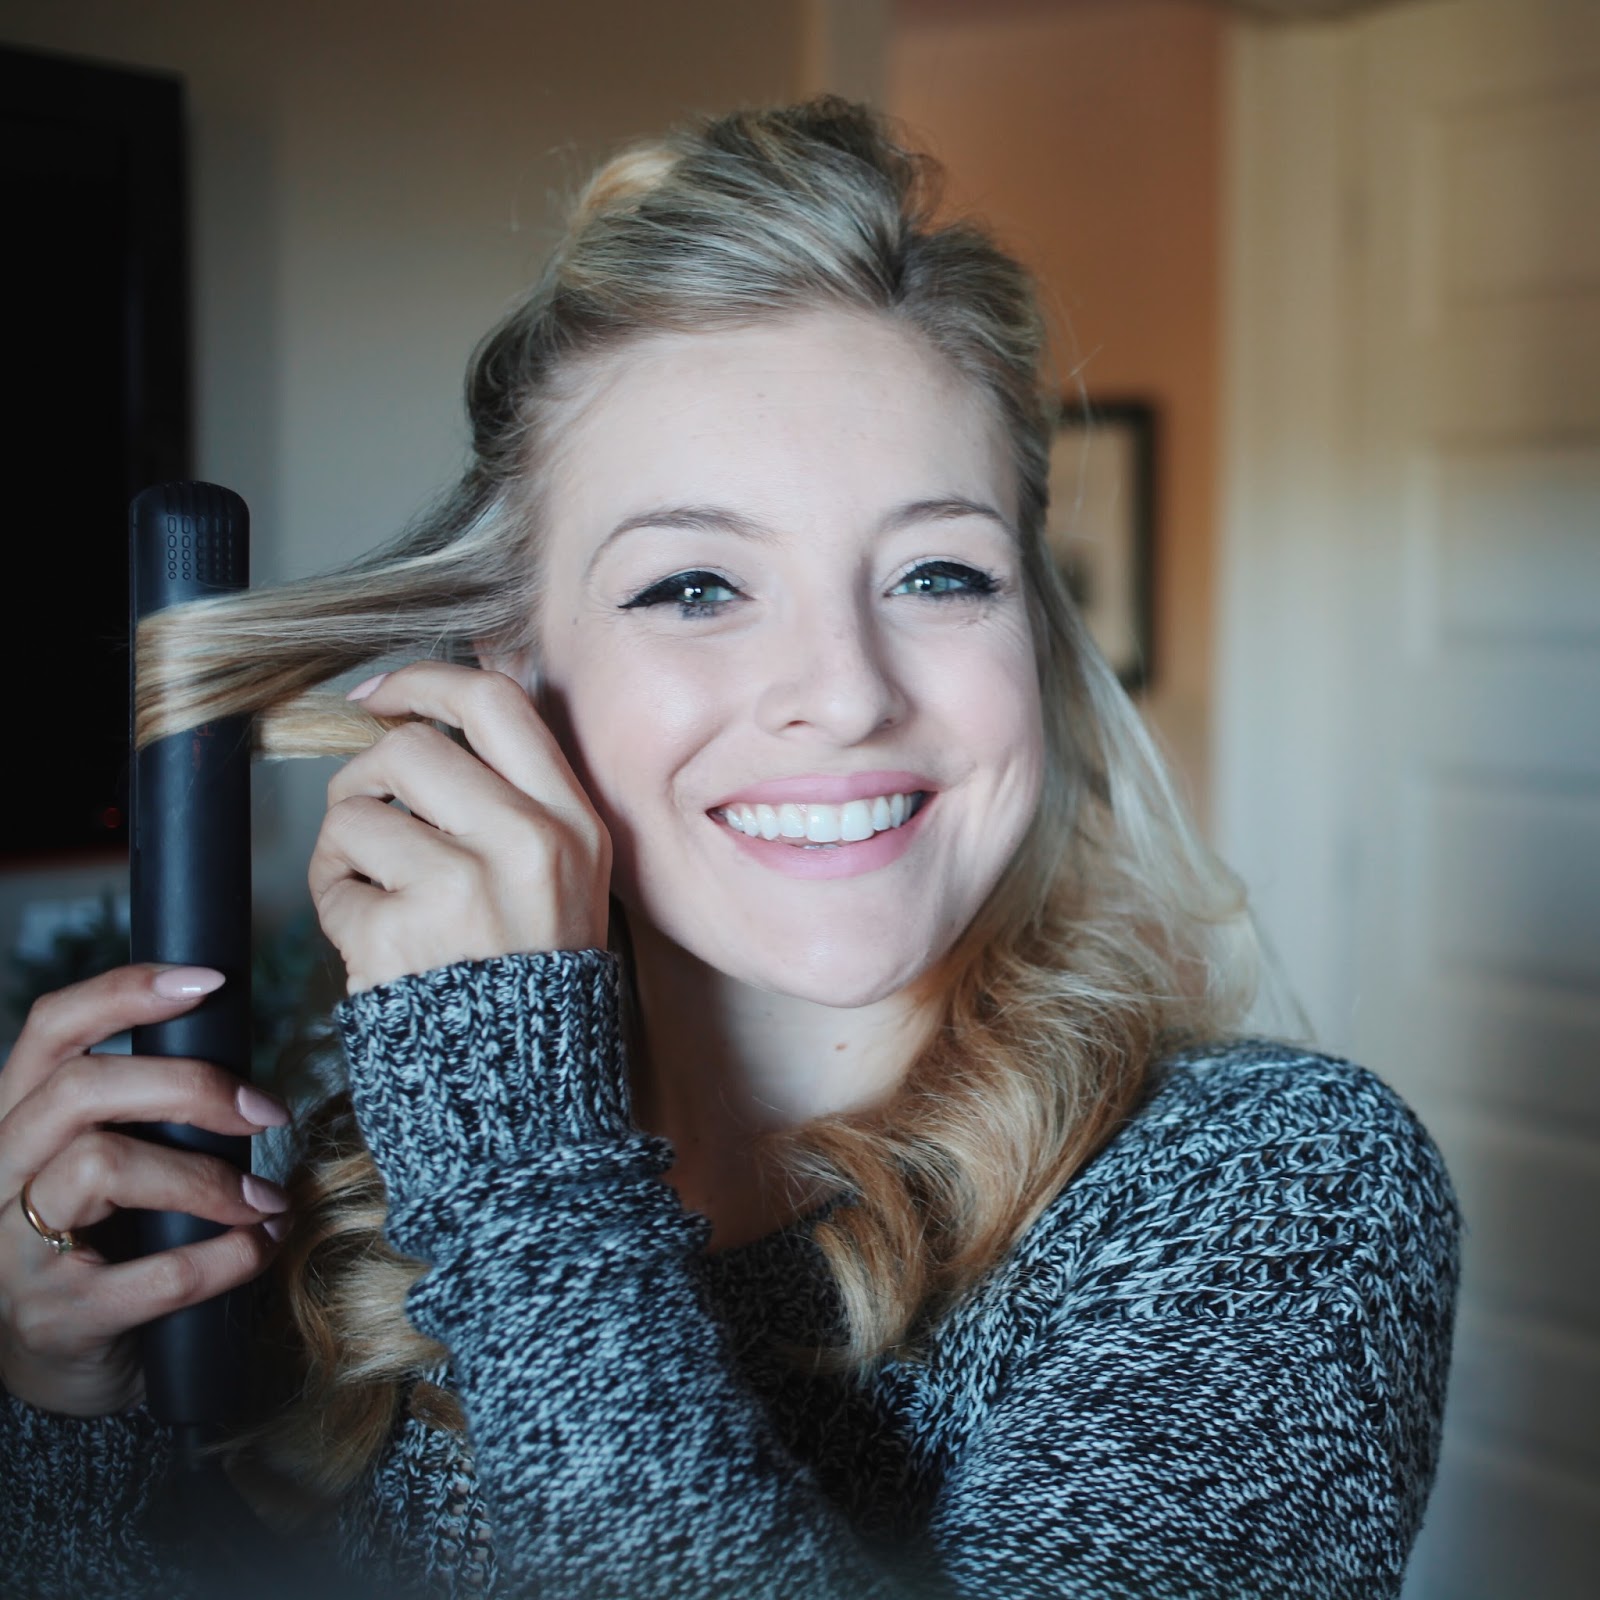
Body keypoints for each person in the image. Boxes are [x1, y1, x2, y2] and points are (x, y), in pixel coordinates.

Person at [0, 99, 1458, 1599]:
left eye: (938, 574)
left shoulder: (1276, 1196)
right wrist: (67, 1423)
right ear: (512, 669)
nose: (846, 692)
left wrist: (521, 1173)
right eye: (695, 587)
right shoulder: (334, 1200)